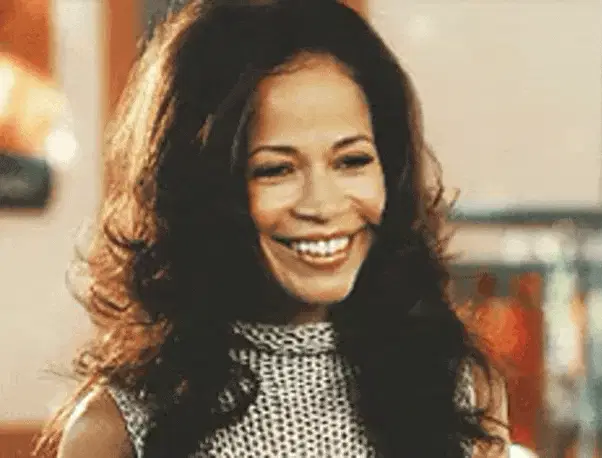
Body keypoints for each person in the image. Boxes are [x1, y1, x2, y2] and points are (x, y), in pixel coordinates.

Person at [35, 0, 510, 456]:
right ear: (202, 189)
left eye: (352, 161)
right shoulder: (116, 427)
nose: (323, 205)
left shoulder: (458, 391)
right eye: (275, 169)